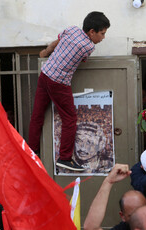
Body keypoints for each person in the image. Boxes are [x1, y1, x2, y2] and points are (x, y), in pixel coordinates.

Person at [28, 11, 110, 171]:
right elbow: (82, 60)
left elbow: (54, 44)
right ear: (92, 32)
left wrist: (44, 53)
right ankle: (65, 158)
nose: (103, 38)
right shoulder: (88, 47)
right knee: (70, 119)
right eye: (102, 33)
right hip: (59, 82)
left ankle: (32, 150)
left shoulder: (71, 29)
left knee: (37, 115)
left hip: (45, 74)